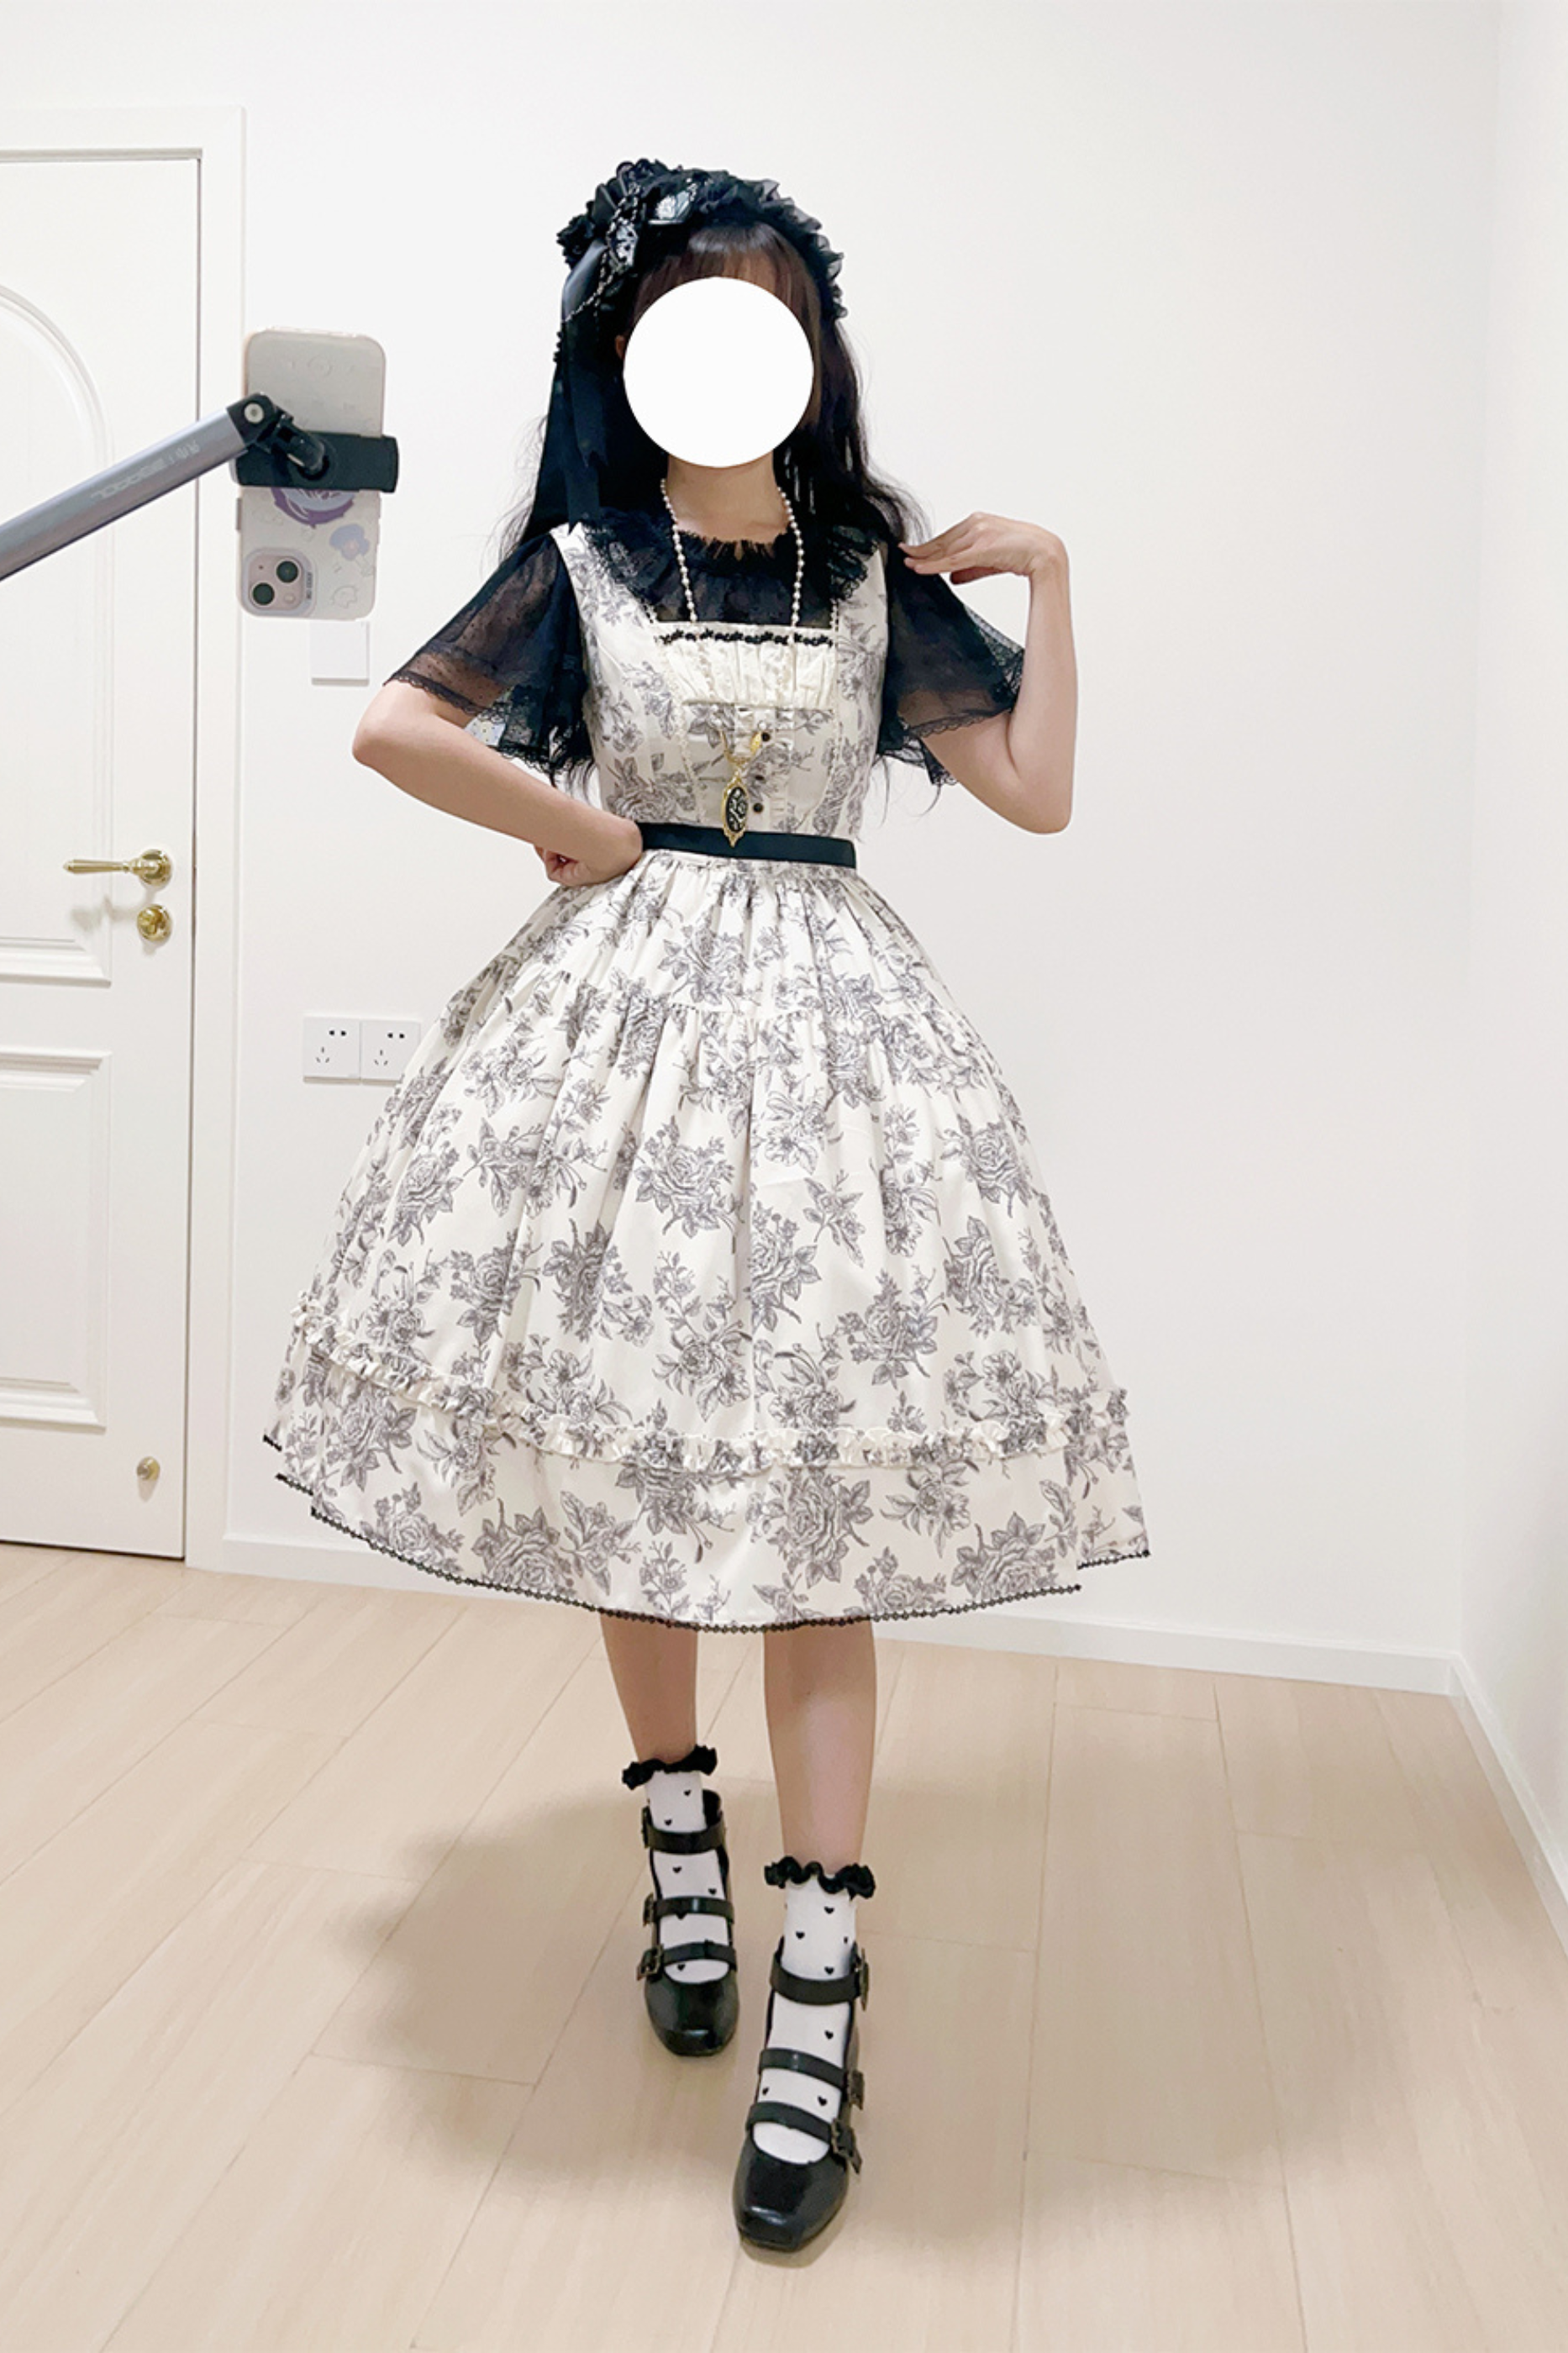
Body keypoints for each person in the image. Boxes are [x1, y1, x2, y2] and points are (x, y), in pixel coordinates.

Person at [262, 158, 1150, 2254]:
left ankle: (819, 1975)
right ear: (632, 357)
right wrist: (580, 830)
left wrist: (1054, 577)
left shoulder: (867, 579)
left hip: (842, 1058)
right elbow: (393, 722)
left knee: (817, 1498)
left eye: (776, 327)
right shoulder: (580, 563)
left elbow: (1036, 793)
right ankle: (681, 1838)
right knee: (633, 1460)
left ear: (812, 359)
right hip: (619, 1052)